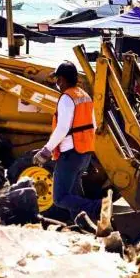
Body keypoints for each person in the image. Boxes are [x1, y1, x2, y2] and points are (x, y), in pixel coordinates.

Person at [32, 62, 101, 221]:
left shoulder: (66, 98)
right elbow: (94, 125)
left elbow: (62, 128)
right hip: (84, 153)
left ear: (62, 79)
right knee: (74, 194)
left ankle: (97, 207)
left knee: (60, 198)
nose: (57, 83)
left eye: (57, 79)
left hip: (70, 154)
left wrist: (46, 150)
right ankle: (83, 223)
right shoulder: (84, 96)